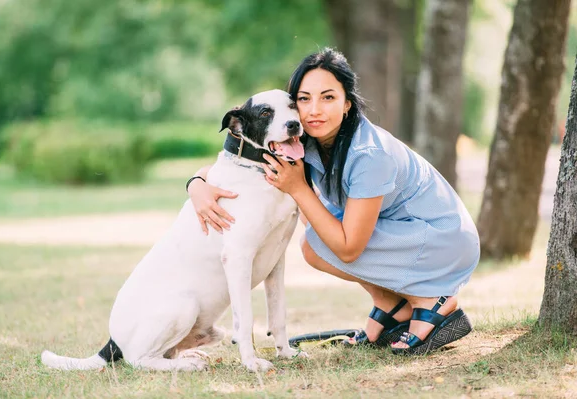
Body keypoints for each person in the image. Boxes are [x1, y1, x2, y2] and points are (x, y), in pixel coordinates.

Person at [186, 48, 480, 355]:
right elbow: (234, 166)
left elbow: (349, 248)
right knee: (316, 241)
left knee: (316, 244)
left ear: (347, 103)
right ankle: (390, 305)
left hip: (442, 241)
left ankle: (431, 302)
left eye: (328, 98)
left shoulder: (369, 154)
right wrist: (197, 184)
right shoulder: (303, 138)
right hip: (404, 232)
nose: (314, 110)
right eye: (304, 99)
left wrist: (299, 189)